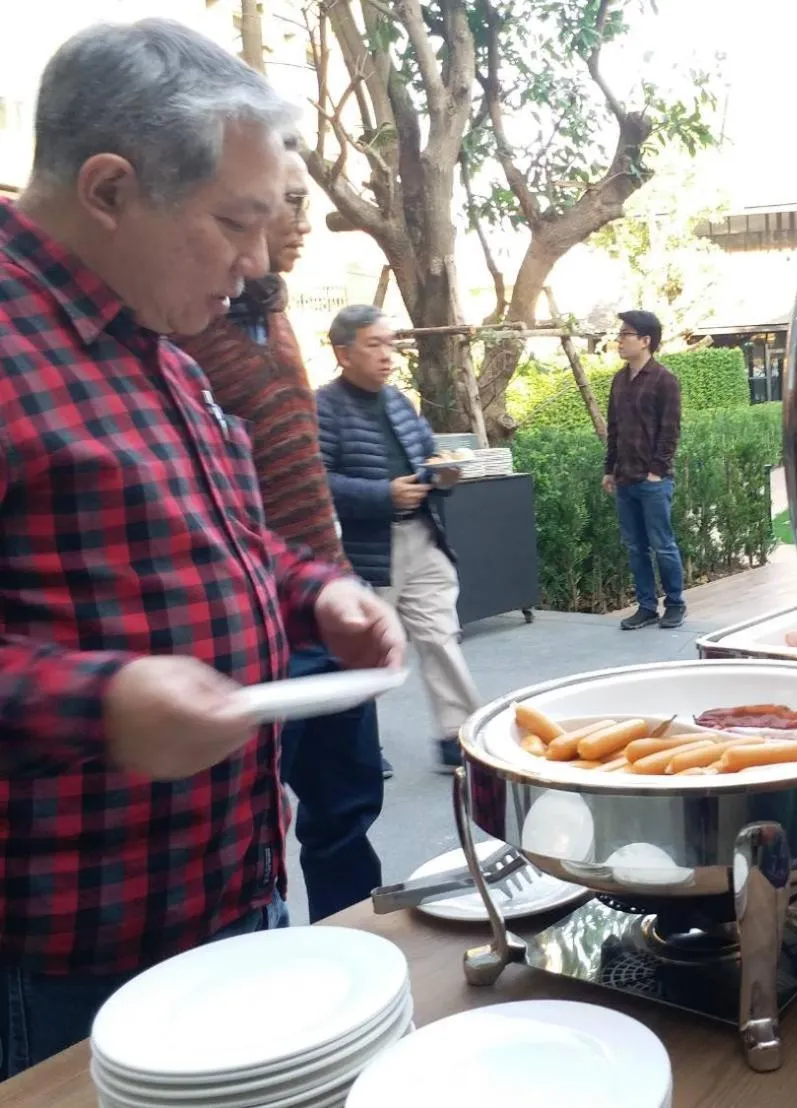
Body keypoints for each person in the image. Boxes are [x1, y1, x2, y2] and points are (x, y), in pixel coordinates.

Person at [0, 20, 403, 1076]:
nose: (258, 262)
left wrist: (317, 592)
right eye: (237, 221)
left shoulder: (161, 345)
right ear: (108, 190)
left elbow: (227, 538)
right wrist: (104, 702)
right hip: (60, 960)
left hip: (233, 889)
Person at [174, 150, 388, 923]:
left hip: (319, 597)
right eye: (277, 203)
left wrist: (334, 584)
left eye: (299, 201)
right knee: (255, 829)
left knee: (344, 810)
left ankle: (348, 945)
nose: (297, 223)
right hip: (248, 622)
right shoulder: (177, 323)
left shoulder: (271, 312)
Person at [317, 305, 481, 773]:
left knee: (442, 637)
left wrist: (445, 473)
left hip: (422, 538)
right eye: (375, 345)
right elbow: (315, 480)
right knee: (367, 652)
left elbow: (430, 455)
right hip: (367, 552)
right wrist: (382, 495)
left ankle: (457, 737)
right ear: (343, 353)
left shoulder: (398, 402)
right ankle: (361, 746)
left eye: (391, 344)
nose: (388, 356)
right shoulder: (322, 406)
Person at [602, 310, 685, 630]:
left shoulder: (665, 380)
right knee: (635, 547)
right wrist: (609, 469)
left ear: (646, 341)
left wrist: (656, 471)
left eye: (626, 335)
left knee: (663, 544)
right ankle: (647, 606)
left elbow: (670, 432)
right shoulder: (619, 380)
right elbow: (614, 429)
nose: (619, 341)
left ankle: (675, 604)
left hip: (653, 482)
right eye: (620, 335)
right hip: (624, 479)